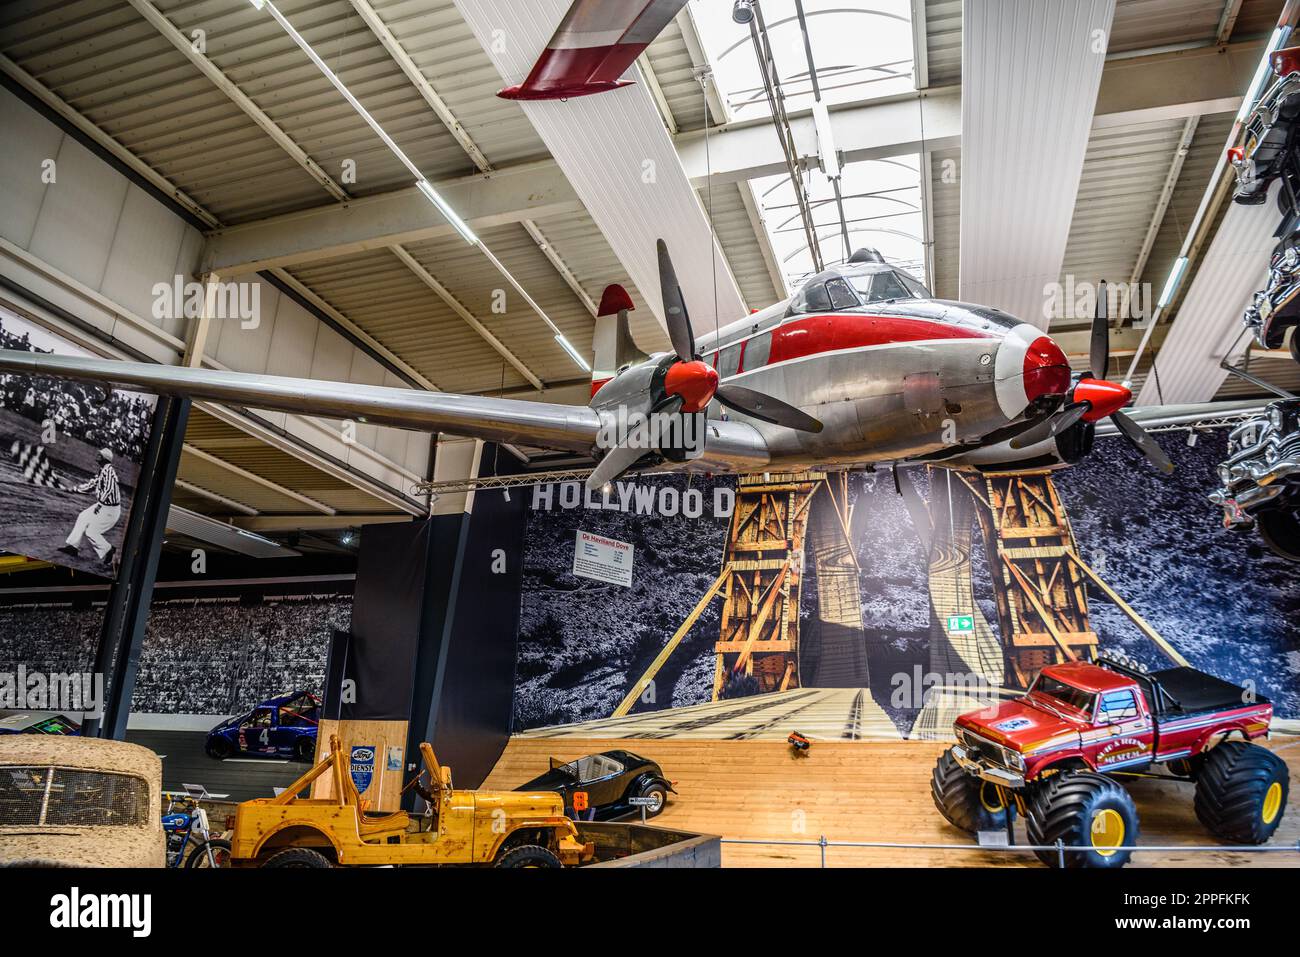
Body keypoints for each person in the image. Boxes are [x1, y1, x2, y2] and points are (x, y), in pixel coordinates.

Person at [59, 447, 122, 568]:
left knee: (91, 532)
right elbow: (91, 486)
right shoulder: (102, 471)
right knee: (82, 517)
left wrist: (100, 504)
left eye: (100, 455)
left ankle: (109, 550)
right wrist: (76, 489)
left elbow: (108, 489)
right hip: (104, 506)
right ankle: (73, 547)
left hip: (110, 509)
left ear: (104, 459)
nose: (97, 456)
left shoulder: (108, 471)